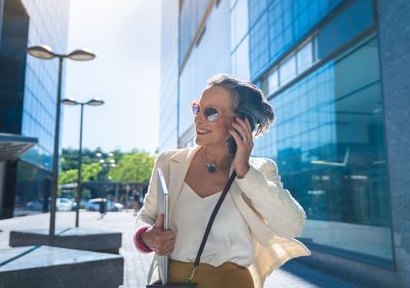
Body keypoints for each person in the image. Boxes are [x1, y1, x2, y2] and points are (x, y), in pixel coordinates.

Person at [133, 74, 311, 287]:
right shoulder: (169, 162)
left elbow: (291, 226)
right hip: (176, 283)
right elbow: (146, 216)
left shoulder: (261, 170)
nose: (198, 118)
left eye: (210, 112)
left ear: (240, 122)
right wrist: (146, 237)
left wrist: (244, 171)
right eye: (197, 108)